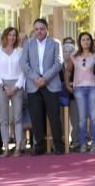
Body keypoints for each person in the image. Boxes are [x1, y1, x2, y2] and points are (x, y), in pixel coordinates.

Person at [20, 18, 65, 155]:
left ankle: (58, 145)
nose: (39, 31)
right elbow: (24, 64)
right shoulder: (28, 44)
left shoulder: (55, 43)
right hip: (34, 85)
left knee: (54, 117)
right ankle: (39, 145)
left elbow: (58, 63)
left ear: (47, 29)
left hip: (51, 84)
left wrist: (45, 78)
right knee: (36, 117)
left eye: (42, 29)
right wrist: (36, 78)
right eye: (36, 29)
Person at [0, 27, 25, 156]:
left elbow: (23, 72)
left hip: (17, 85)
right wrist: (3, 86)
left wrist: (16, 87)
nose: (12, 37)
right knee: (4, 119)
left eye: (14, 35)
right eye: (9, 35)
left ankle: (18, 147)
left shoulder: (20, 51)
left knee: (17, 117)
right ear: (5, 36)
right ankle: (5, 148)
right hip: (2, 85)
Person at [68, 32, 95, 153]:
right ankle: (83, 143)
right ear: (79, 42)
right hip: (79, 89)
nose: (85, 42)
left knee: (94, 117)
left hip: (93, 87)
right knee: (81, 118)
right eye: (83, 40)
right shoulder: (74, 56)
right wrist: (67, 84)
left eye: (88, 39)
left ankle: (94, 143)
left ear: (91, 41)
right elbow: (68, 71)